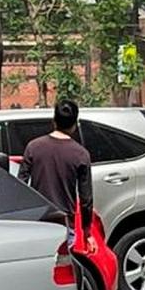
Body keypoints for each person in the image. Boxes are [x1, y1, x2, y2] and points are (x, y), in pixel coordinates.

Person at [17, 100, 94, 249]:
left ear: (54, 121)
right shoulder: (81, 154)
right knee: (63, 269)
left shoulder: (33, 147)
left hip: (38, 221)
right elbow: (86, 199)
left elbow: (21, 185)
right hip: (64, 223)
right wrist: (87, 231)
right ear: (75, 125)